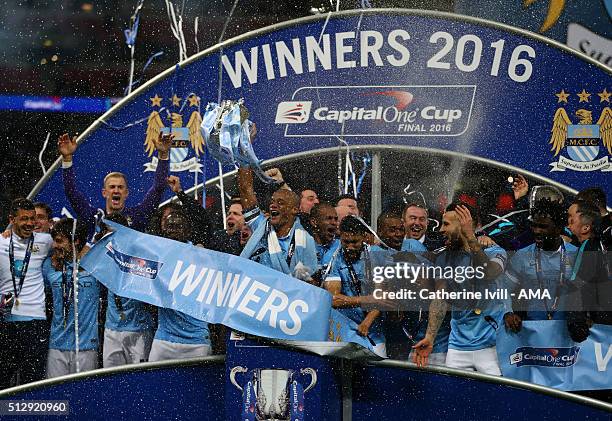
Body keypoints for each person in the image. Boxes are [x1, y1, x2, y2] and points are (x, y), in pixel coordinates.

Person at [412, 203, 507, 375]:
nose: (440, 230)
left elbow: (489, 273)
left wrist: (471, 237)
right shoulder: (443, 259)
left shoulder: (494, 250)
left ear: (465, 225)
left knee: (495, 399)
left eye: (446, 224)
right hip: (457, 347)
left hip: (491, 346)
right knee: (453, 399)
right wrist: (430, 337)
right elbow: (440, 299)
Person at [57, 132, 172, 232]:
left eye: (120, 187)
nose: (116, 190)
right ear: (104, 193)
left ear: (126, 193)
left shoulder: (137, 216)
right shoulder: (94, 217)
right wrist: (67, 158)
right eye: (112, 187)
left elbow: (159, 188)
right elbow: (71, 191)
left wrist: (163, 155)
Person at [503, 197, 578, 331]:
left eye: (543, 226)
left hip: (567, 336)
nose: (536, 231)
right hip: (532, 334)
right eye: (534, 225)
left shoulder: (577, 255)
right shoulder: (521, 256)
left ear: (559, 227)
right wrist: (508, 312)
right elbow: (503, 289)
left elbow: (590, 292)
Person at [0, 198, 53, 388]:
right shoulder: (0, 242)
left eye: (32, 219)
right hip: (6, 324)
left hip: (35, 323)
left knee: (33, 384)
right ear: (12, 219)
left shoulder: (45, 241)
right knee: (4, 382)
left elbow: (73, 244)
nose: (30, 223)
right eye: (24, 219)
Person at [149, 208, 211, 361]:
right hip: (164, 338)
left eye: (178, 226)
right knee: (152, 384)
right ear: (164, 230)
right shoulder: (157, 255)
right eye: (170, 227)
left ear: (187, 230)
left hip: (197, 340)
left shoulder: (202, 256)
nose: (173, 231)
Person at [238, 166, 317, 281]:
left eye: (280, 203)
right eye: (272, 202)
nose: (272, 205)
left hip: (286, 296)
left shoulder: (306, 239)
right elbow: (246, 189)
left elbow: (311, 286)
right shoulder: (261, 227)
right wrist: (243, 161)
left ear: (294, 210)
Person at [43, 218, 100, 378]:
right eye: (54, 241)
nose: (55, 246)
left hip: (87, 346)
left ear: (75, 241)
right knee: (56, 398)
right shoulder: (49, 266)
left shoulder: (95, 266)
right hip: (57, 345)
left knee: (85, 397)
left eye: (60, 241)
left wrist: (87, 251)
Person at [99, 212, 155, 368]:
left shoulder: (142, 257)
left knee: (139, 380)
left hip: (139, 330)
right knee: (111, 381)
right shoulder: (100, 259)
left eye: (116, 233)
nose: (113, 238)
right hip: (111, 329)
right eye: (109, 233)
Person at [324, 216, 386, 356]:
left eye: (355, 242)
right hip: (343, 331)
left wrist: (366, 322)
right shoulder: (333, 258)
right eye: (346, 242)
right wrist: (368, 299)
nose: (350, 247)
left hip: (373, 333)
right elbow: (333, 299)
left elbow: (382, 297)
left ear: (363, 237)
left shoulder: (377, 255)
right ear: (340, 237)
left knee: (375, 375)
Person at [565, 200, 611, 340]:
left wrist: (576, 323)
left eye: (571, 219)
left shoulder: (589, 246)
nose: (567, 223)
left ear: (585, 228)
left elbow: (578, 285)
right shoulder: (603, 243)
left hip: (605, 326)